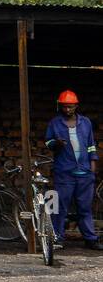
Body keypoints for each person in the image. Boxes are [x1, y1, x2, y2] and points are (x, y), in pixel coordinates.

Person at [44, 90, 99, 250]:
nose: (67, 110)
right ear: (60, 106)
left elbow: (90, 145)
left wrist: (93, 163)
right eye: (64, 107)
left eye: (70, 107)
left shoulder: (86, 123)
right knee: (60, 206)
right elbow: (47, 143)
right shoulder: (54, 123)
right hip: (64, 172)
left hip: (85, 173)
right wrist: (56, 144)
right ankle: (58, 238)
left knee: (85, 208)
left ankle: (90, 239)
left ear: (76, 106)